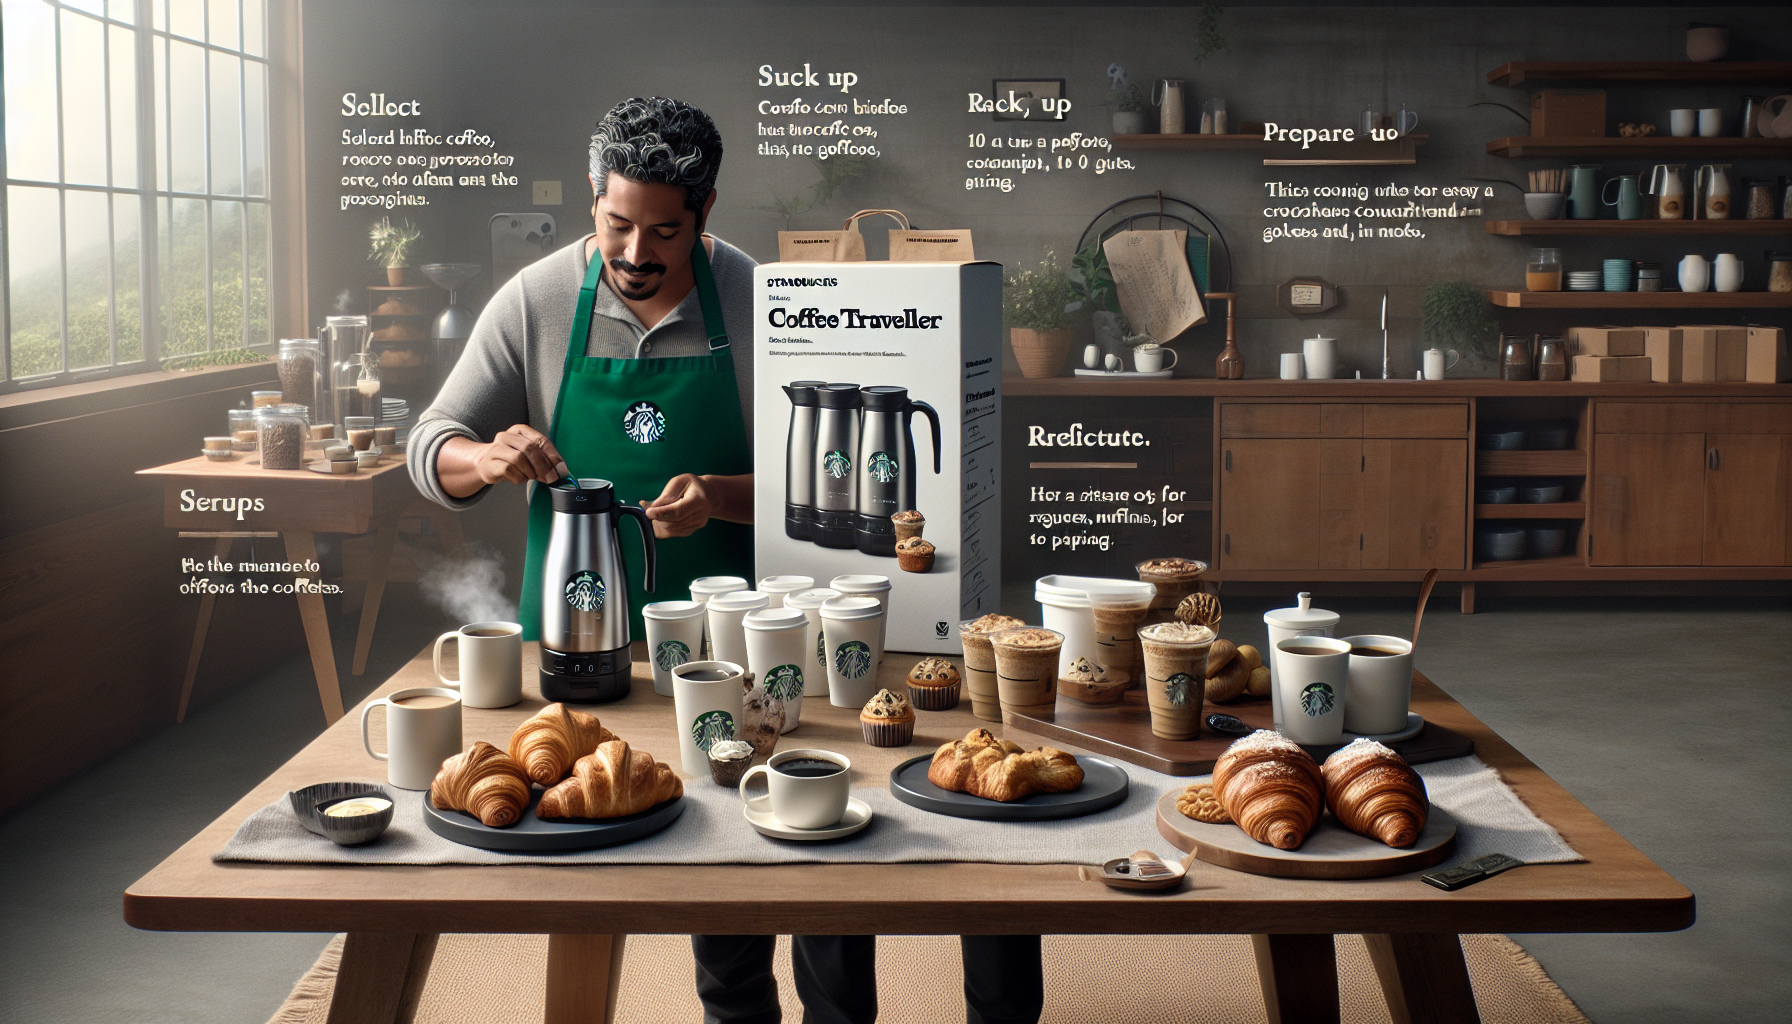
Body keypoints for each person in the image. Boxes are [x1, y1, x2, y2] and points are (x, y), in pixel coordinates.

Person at [410, 96, 1043, 1024]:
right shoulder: (539, 299)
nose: (635, 254)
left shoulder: (760, 297)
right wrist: (483, 459)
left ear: (705, 212)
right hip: (595, 655)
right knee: (708, 865)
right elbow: (430, 448)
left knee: (818, 840)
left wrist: (718, 495)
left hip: (756, 640)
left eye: (663, 231)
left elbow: (826, 487)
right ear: (594, 199)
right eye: (617, 224)